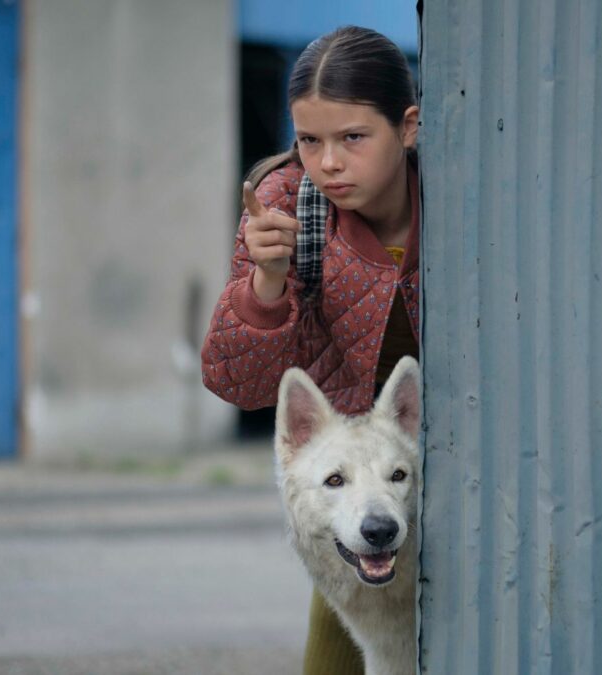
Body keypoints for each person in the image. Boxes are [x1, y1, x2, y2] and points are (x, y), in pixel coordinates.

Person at [201, 25, 420, 675]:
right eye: (309, 139)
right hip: (359, 480)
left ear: (407, 127)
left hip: (438, 464)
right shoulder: (286, 206)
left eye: (353, 137)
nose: (326, 163)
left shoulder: (459, 198)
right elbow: (239, 383)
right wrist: (265, 285)